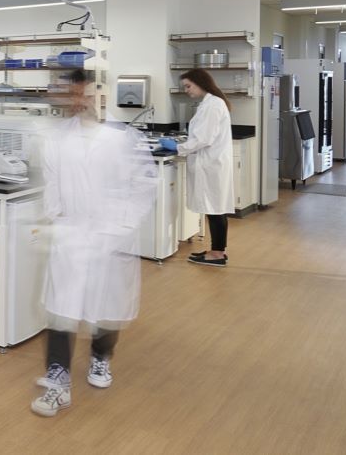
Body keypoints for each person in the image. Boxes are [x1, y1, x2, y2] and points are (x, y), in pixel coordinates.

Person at [32, 69, 156, 418]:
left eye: (84, 93)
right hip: (71, 234)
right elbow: (53, 182)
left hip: (111, 235)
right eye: (72, 94)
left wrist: (122, 225)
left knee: (107, 310)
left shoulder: (124, 136)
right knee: (62, 310)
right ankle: (58, 377)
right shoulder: (57, 138)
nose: (78, 101)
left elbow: (144, 184)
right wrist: (55, 217)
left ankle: (101, 359)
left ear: (99, 94)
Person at [159, 68, 234, 267]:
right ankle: (216, 251)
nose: (187, 90)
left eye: (188, 86)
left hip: (211, 164)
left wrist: (178, 147)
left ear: (201, 83)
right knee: (215, 209)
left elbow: (204, 138)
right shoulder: (210, 103)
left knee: (215, 210)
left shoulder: (212, 105)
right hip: (211, 162)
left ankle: (217, 254)